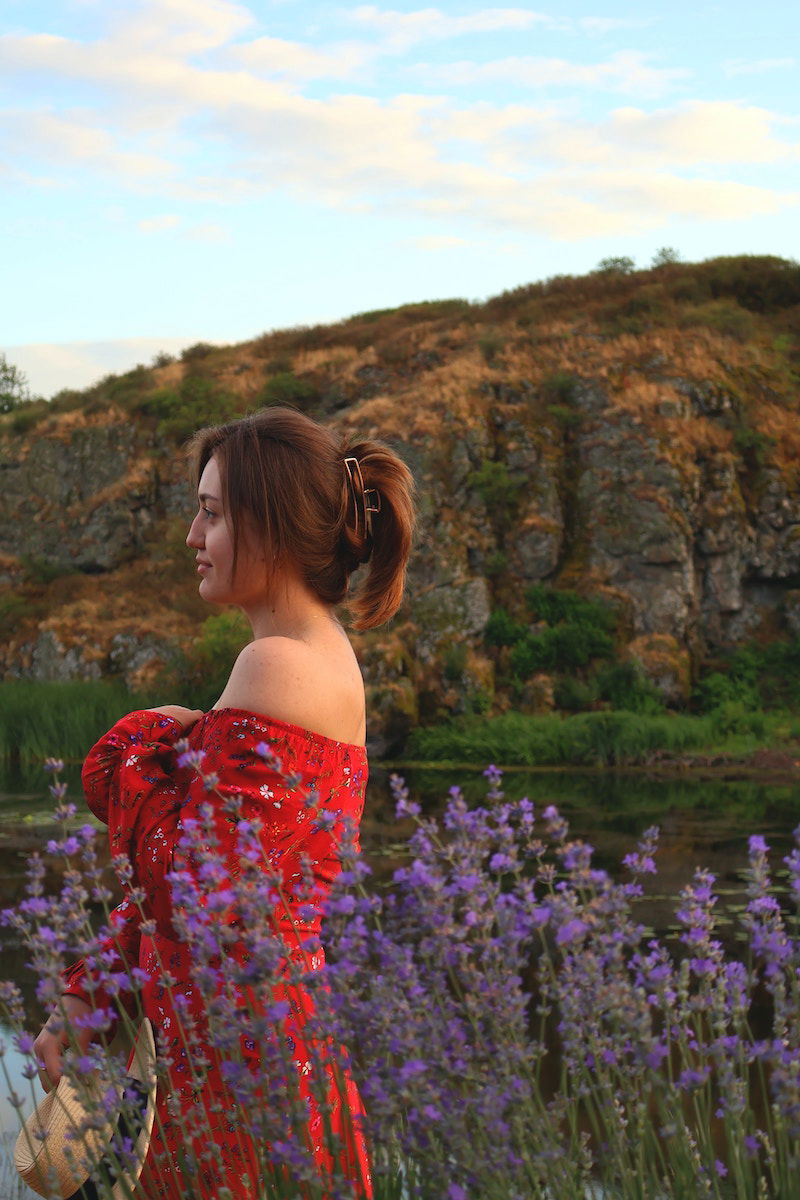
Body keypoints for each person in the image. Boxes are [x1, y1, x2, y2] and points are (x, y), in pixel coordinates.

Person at [33, 406, 415, 1199]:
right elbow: (206, 895)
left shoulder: (278, 663)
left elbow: (184, 885)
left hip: (240, 1063)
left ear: (268, 529)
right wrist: (90, 991)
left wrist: (132, 743)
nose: (190, 537)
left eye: (209, 514)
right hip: (250, 1043)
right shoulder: (305, 656)